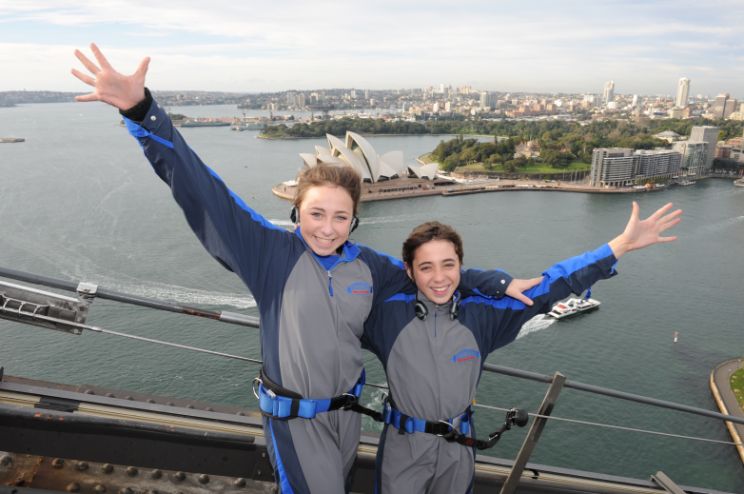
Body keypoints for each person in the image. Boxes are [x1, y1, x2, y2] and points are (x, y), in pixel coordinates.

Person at [70, 44, 537, 494]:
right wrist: (142, 112)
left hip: (347, 417)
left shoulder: (370, 266)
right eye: (317, 214)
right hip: (294, 421)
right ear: (297, 213)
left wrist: (493, 281)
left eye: (340, 217)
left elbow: (433, 274)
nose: (328, 229)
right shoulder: (269, 254)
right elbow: (200, 187)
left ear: (354, 220)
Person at [362, 202, 682, 494]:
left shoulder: (483, 316)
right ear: (409, 271)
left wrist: (619, 246)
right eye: (426, 267)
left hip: (457, 448)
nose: (439, 278)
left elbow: (549, 286)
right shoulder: (384, 315)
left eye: (448, 265)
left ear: (461, 267)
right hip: (402, 449)